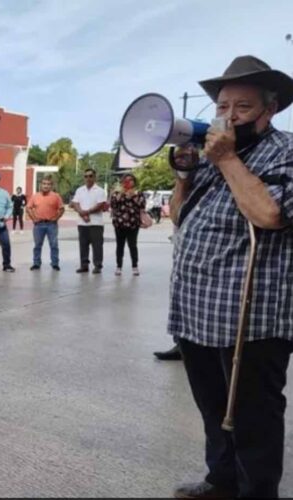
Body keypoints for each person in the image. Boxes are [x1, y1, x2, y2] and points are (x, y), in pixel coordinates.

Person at [167, 56, 293, 499]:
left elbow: (270, 214)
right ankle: (221, 480)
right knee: (213, 408)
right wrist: (185, 175)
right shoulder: (212, 155)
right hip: (197, 312)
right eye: (223, 106)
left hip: (250, 321)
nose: (229, 116)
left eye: (242, 106)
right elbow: (180, 217)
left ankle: (257, 492)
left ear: (269, 110)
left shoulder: (285, 150)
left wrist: (224, 161)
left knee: (253, 416)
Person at [70, 168, 107, 274]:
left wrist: (87, 212)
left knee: (97, 246)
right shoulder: (79, 190)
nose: (88, 178)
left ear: (95, 177)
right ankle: (84, 265)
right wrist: (81, 212)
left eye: (91, 176)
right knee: (83, 245)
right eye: (86, 176)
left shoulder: (100, 191)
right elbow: (75, 203)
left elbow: (101, 205)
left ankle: (98, 265)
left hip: (96, 223)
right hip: (82, 223)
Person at [109, 173, 145, 276]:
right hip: (119, 223)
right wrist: (121, 194)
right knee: (120, 245)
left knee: (132, 245)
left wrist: (133, 196)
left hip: (133, 223)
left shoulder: (138, 193)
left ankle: (135, 266)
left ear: (134, 181)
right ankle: (119, 266)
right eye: (126, 180)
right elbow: (113, 205)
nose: (128, 182)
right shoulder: (117, 192)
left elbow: (142, 206)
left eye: (131, 180)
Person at [26, 176, 64, 271]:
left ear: (51, 185)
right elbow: (28, 208)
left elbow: (62, 209)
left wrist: (56, 218)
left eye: (48, 184)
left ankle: (55, 263)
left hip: (51, 225)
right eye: (44, 184)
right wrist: (33, 219)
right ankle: (36, 263)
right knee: (37, 245)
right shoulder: (35, 196)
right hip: (39, 225)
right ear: (41, 185)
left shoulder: (56, 196)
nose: (46, 186)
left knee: (54, 245)